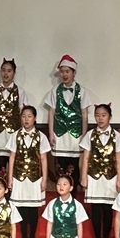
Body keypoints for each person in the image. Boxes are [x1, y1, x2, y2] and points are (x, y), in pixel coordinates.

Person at [80, 103, 120, 238]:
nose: (100, 118)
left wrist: (119, 179)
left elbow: (119, 159)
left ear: (110, 117)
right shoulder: (90, 134)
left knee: (107, 210)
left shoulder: (116, 136)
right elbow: (86, 158)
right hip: (93, 177)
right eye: (97, 115)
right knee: (95, 209)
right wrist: (83, 177)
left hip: (110, 177)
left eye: (103, 115)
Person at [44, 54, 92, 186]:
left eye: (67, 71)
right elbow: (51, 112)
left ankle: (73, 193)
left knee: (74, 166)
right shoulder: (55, 91)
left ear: (74, 72)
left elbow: (84, 115)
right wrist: (51, 133)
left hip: (75, 134)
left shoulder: (82, 91)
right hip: (60, 134)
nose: (64, 75)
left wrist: (84, 135)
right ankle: (62, 193)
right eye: (62, 71)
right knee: (61, 166)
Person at [7, 105, 50, 238]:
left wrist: (44, 179)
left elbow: (43, 158)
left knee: (33, 209)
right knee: (21, 208)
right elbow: (12, 157)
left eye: (29, 116)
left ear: (35, 118)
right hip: (19, 177)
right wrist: (10, 178)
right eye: (24, 116)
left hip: (35, 177)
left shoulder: (41, 136)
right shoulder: (15, 135)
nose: (26, 119)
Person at [0, 58, 28, 176]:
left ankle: (12, 185)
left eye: (9, 71)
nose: (6, 73)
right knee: (0, 163)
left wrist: (23, 133)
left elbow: (22, 113)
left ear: (14, 73)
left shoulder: (20, 91)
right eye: (3, 70)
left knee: (14, 162)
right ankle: (1, 184)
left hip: (13, 131)